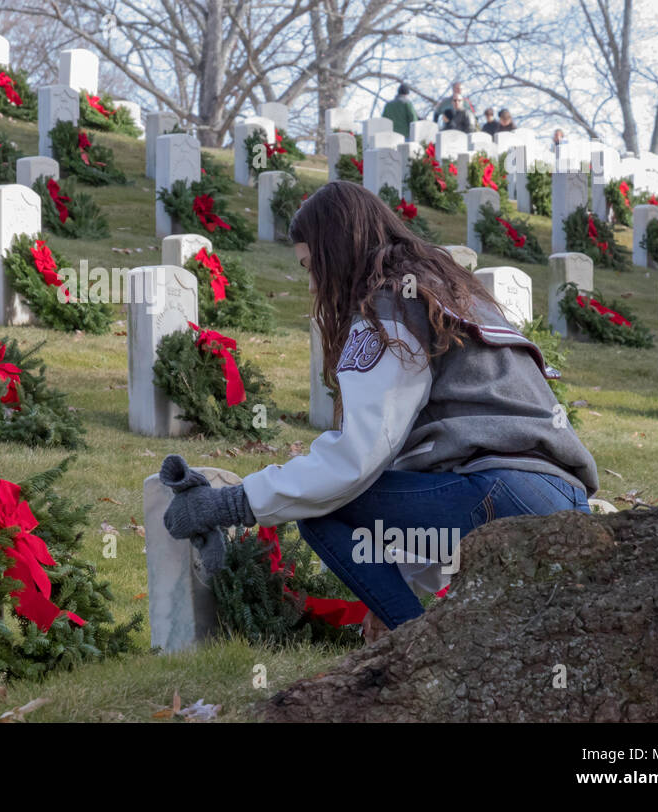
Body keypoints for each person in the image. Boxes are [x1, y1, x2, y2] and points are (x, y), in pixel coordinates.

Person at [159, 181, 598, 640]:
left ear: (335, 251)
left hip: (503, 490)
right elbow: (420, 473)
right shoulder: (450, 290)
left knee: (324, 512)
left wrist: (232, 503)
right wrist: (389, 588)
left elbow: (357, 459)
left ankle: (415, 645)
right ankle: (412, 633)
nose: (311, 284)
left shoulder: (388, 304)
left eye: (312, 266)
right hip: (563, 498)